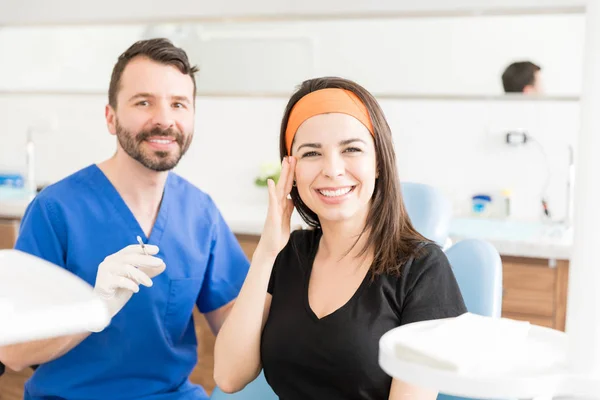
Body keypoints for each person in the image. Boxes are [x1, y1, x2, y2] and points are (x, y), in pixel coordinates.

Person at [0, 38, 249, 399]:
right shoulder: (55, 210)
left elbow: (234, 326)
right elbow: (13, 353)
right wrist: (95, 308)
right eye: (143, 102)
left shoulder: (200, 212)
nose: (165, 119)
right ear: (111, 117)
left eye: (179, 104)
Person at [213, 77, 467, 399]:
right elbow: (229, 376)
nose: (332, 169)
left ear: (378, 163)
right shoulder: (288, 255)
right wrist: (267, 251)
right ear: (291, 171)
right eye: (311, 153)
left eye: (351, 149)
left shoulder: (423, 269)